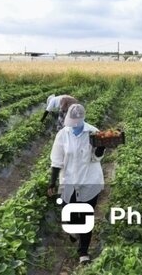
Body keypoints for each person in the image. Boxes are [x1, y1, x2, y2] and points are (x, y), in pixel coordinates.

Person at [48, 104, 105, 265]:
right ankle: (73, 230)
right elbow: (56, 160)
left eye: (77, 122)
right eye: (72, 122)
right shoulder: (62, 135)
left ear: (82, 119)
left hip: (89, 180)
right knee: (70, 212)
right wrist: (52, 182)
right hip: (69, 181)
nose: (74, 125)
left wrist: (101, 147)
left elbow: (96, 158)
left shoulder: (93, 132)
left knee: (85, 216)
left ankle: (83, 252)